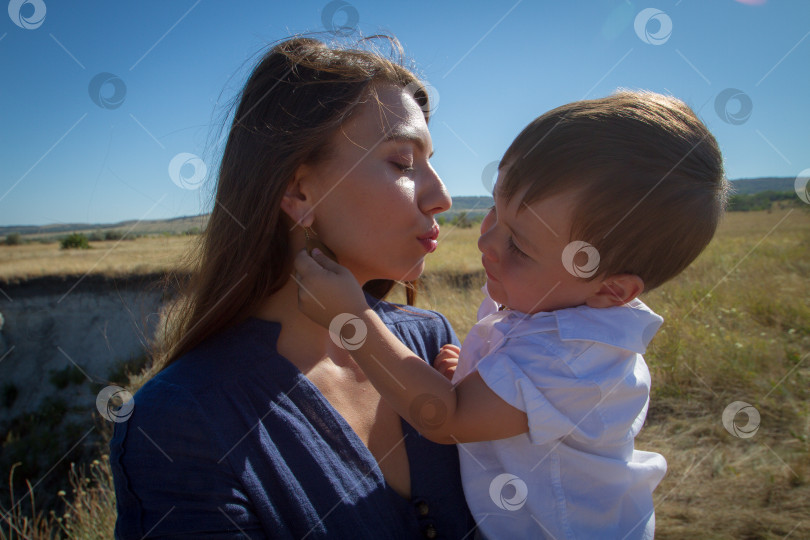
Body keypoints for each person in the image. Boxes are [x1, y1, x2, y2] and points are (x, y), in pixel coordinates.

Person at [294, 90, 728, 539]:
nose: (488, 243)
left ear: (612, 289)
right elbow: (495, 397)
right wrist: (472, 374)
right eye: (494, 210)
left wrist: (355, 321)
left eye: (519, 246)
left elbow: (450, 419)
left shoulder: (579, 357)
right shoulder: (544, 302)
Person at [109, 36, 477, 539]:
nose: (442, 197)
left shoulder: (431, 344)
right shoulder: (181, 423)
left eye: (432, 161)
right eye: (403, 163)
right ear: (298, 191)